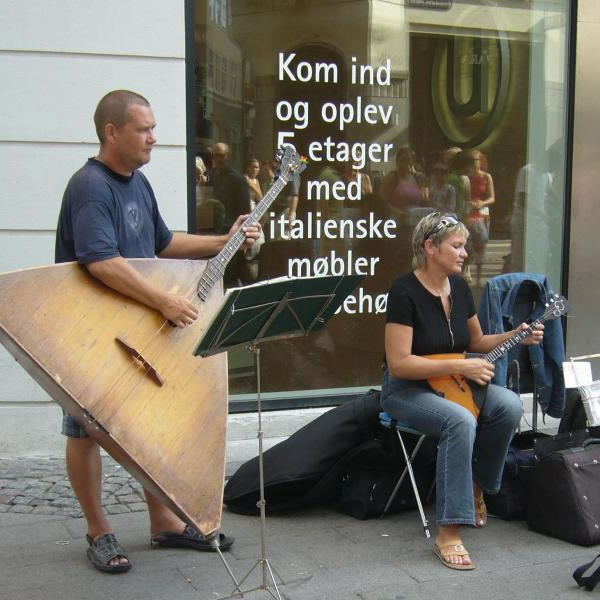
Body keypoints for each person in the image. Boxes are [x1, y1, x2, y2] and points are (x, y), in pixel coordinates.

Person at [55, 90, 261, 574]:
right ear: (112, 132)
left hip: (136, 326)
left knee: (149, 420)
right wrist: (165, 300)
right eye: (144, 129)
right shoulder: (90, 186)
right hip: (91, 332)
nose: (154, 137)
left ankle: (164, 523)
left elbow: (162, 244)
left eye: (153, 128)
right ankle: (98, 530)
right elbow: (100, 260)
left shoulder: (138, 184)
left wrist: (224, 240)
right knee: (84, 428)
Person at [380, 211, 543, 570]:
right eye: (456, 246)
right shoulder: (403, 291)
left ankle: (475, 489)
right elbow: (400, 364)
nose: (464, 253)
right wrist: (461, 365)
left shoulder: (461, 288)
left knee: (509, 406)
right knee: (459, 422)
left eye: (464, 246)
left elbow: (479, 342)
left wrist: (518, 334)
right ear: (430, 247)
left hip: (456, 385)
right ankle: (449, 532)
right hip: (408, 389)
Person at [465, 150, 495, 287]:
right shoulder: (465, 178)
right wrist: (470, 203)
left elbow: (492, 197)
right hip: (469, 212)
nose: (476, 167)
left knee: (481, 245)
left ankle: (478, 277)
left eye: (478, 164)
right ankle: (467, 270)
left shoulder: (487, 177)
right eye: (473, 164)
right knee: (467, 242)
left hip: (483, 212)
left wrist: (482, 203)